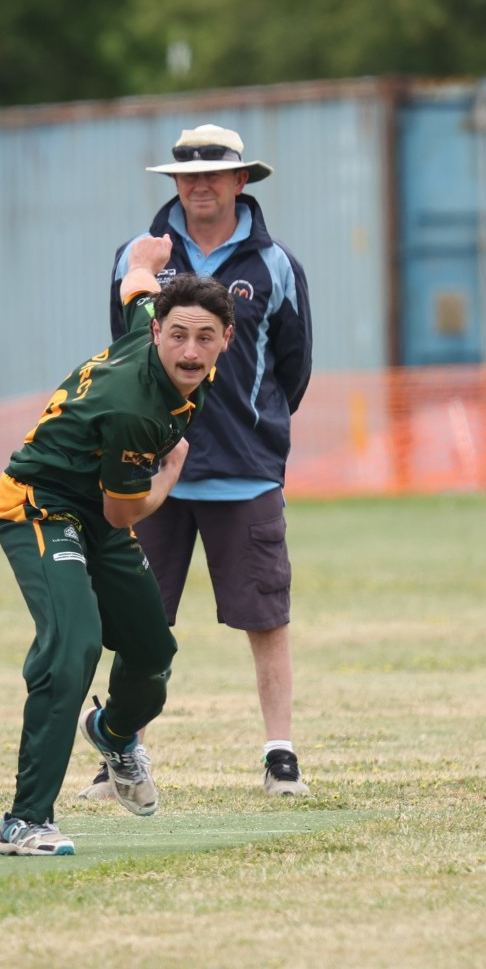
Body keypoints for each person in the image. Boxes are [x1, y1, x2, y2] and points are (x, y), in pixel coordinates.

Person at [91, 122, 313, 803]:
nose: (202, 186)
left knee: (264, 614)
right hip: (152, 463)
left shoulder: (275, 264)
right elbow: (127, 352)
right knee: (137, 617)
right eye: (189, 176)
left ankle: (280, 755)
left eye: (216, 173)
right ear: (175, 183)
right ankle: (121, 752)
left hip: (245, 468)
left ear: (241, 179)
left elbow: (293, 369)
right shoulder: (140, 258)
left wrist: (250, 429)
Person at [0, 236, 228, 856]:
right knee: (75, 644)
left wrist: (147, 258)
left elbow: (138, 287)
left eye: (205, 338)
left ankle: (115, 731)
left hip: (98, 516)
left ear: (226, 339)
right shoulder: (136, 410)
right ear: (158, 337)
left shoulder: (155, 325)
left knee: (153, 654)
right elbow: (126, 508)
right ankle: (26, 820)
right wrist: (172, 472)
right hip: (41, 503)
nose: (190, 350)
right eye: (178, 336)